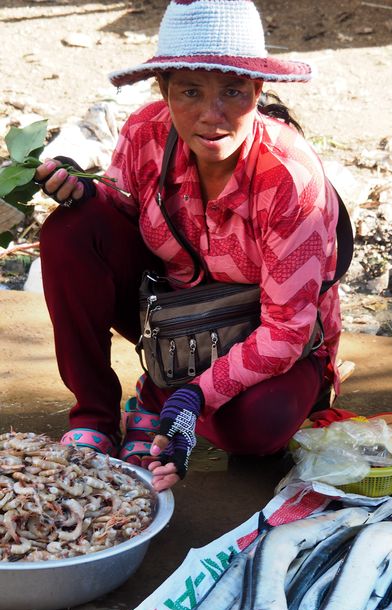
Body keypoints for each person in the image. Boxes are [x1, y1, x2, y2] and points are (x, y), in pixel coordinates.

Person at [35, 0, 343, 492]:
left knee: (259, 430)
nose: (212, 115)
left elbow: (286, 332)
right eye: (191, 91)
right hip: (174, 322)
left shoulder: (289, 178)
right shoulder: (145, 131)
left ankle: (159, 399)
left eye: (234, 92)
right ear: (165, 90)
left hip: (263, 339)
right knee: (71, 229)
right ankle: (95, 415)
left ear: (258, 90)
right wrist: (86, 194)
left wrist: (192, 397)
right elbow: (124, 208)